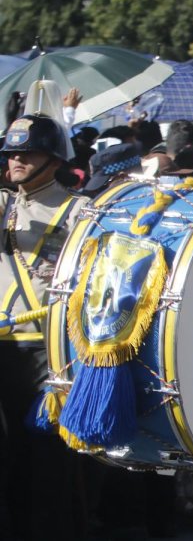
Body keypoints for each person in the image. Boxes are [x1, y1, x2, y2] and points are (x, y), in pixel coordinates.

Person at [0, 80, 88, 540]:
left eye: (28, 154)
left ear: (54, 160)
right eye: (12, 154)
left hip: (49, 351)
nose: (16, 161)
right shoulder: (3, 205)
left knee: (47, 466)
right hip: (3, 347)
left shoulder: (80, 211)